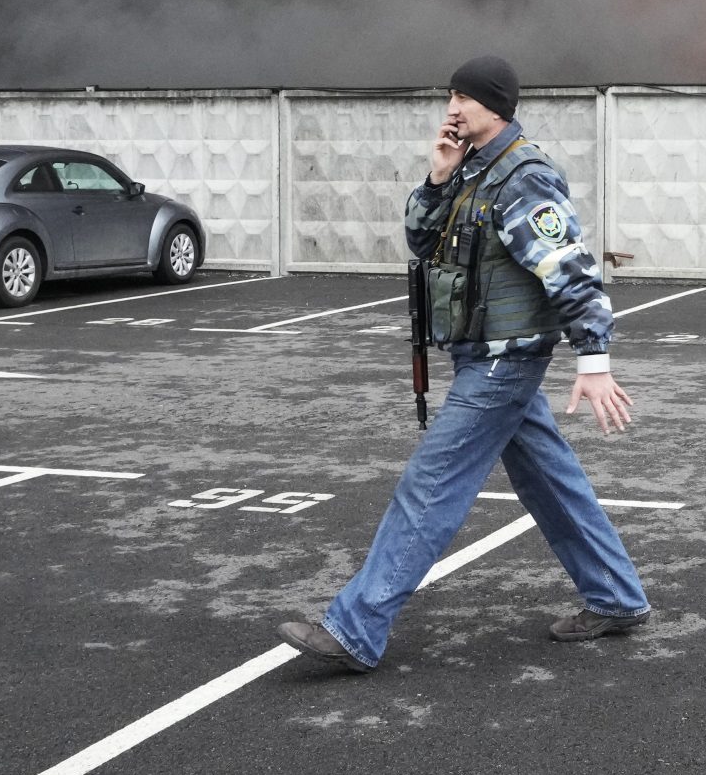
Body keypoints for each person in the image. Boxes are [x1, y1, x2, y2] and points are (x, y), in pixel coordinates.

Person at [278, 55, 650, 672]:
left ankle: (356, 629)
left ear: (496, 105)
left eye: (465, 97)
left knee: (431, 484)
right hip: (484, 356)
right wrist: (436, 177)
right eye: (450, 94)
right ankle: (616, 597)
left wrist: (595, 360)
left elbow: (573, 272)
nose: (452, 107)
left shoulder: (524, 176)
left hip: (505, 364)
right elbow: (421, 241)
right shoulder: (471, 171)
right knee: (548, 481)